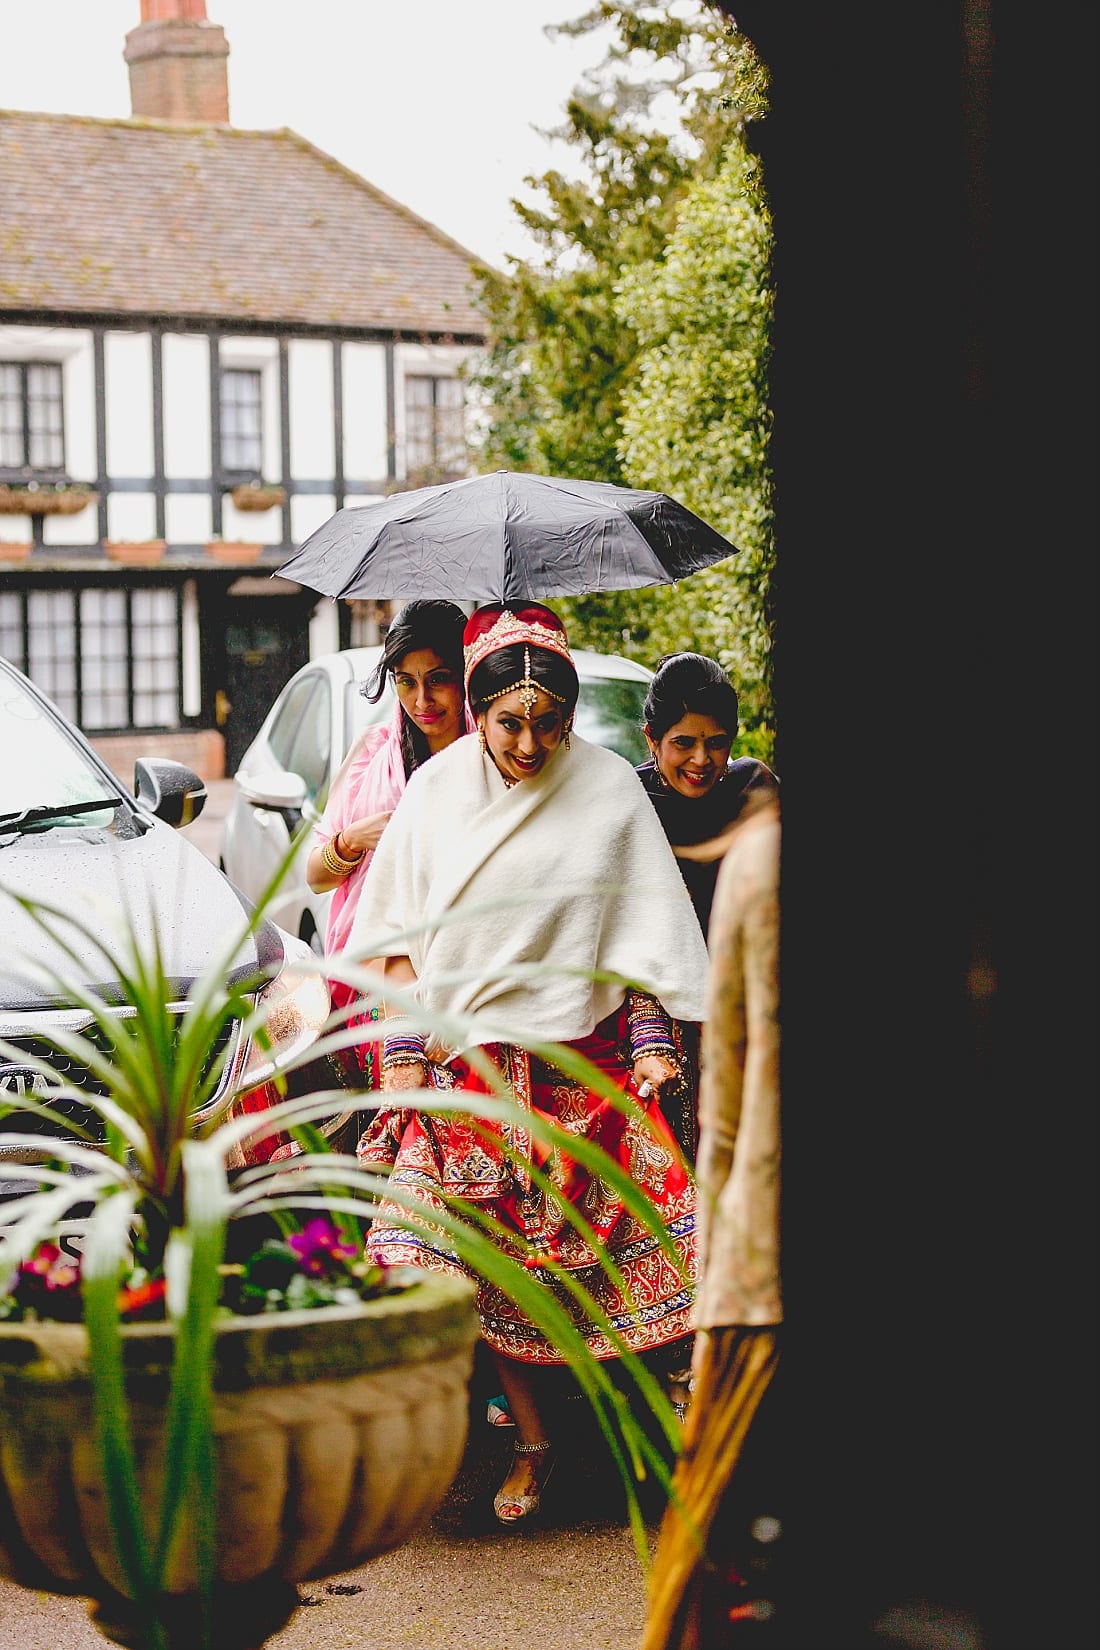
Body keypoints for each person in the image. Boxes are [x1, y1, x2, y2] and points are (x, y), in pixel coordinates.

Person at [346, 602, 711, 1526]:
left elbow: (640, 940)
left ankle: (666, 1445)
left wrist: (655, 1046)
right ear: (477, 713)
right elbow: (396, 943)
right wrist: (397, 1055)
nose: (531, 741)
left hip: (584, 1073)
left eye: (550, 722)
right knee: (427, 1259)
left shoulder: (609, 794)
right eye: (510, 722)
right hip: (461, 1072)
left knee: (665, 1266)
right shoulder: (431, 797)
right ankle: (533, 1442)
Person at [641, 789, 782, 1650]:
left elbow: (724, 1122)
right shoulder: (764, 867)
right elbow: (722, 1120)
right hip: (764, 1278)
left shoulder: (763, 862)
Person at [306, 599, 472, 1085]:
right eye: (406, 681)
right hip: (372, 977)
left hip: (459, 967)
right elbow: (315, 875)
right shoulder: (373, 754)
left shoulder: (491, 759)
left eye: (438, 678)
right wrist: (355, 838)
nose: (422, 700)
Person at [636, 653, 778, 941]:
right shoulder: (632, 801)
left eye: (716, 743)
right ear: (652, 738)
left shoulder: (754, 790)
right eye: (683, 743)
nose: (701, 760)